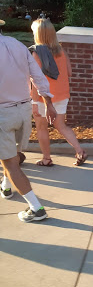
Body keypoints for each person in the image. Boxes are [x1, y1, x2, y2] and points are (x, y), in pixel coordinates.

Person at [0, 33, 57, 222]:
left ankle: (36, 208)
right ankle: (6, 187)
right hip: (23, 110)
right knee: (11, 154)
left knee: (9, 162)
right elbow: (38, 76)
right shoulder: (17, 45)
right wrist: (48, 103)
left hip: (3, 113)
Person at [30, 18, 88, 166]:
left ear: (38, 34)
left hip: (44, 98)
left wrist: (34, 103)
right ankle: (80, 151)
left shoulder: (36, 54)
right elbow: (69, 72)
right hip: (62, 95)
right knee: (61, 125)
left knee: (42, 127)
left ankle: (46, 159)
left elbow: (35, 81)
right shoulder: (61, 51)